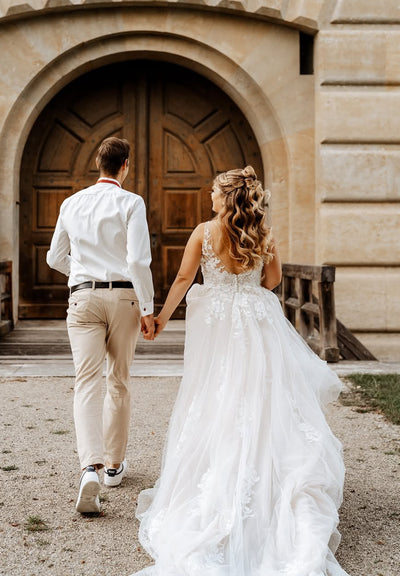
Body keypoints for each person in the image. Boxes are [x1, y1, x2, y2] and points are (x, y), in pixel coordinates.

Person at [133, 166, 349, 575]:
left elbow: (183, 278)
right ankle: (268, 478)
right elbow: (273, 280)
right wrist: (243, 289)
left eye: (214, 192)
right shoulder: (264, 232)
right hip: (256, 320)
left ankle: (220, 481)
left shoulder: (203, 231)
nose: (210, 198)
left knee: (214, 393)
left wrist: (161, 318)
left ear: (226, 196)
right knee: (261, 394)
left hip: (216, 323)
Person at [47, 137, 155, 514]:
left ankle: (88, 468)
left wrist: (79, 275)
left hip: (82, 297)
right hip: (124, 296)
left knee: (86, 382)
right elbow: (139, 260)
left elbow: (54, 256)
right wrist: (148, 307)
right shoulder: (131, 202)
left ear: (99, 164)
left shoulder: (70, 203)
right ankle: (113, 466)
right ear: (125, 165)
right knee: (119, 380)